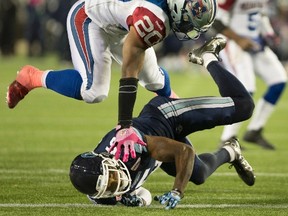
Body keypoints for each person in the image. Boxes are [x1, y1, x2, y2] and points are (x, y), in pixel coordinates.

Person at [6, 0, 218, 155]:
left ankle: (177, 116)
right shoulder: (154, 19)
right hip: (91, 19)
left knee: (156, 80)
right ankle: (32, 77)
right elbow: (129, 69)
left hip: (124, 24)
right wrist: (124, 125)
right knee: (94, 91)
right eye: (189, 22)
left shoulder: (160, 15)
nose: (190, 29)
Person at [69, 37, 256, 210]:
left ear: (108, 161)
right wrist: (137, 200)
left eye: (111, 178)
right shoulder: (102, 193)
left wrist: (177, 191)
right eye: (110, 185)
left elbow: (185, 152)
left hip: (168, 116)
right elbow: (144, 194)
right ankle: (232, 151)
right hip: (158, 143)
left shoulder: (130, 148)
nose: (115, 183)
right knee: (199, 175)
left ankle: (206, 56)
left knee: (244, 106)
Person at [212, 0, 287, 150]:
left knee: (279, 81)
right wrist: (239, 39)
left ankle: (255, 130)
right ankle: (227, 138)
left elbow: (261, 15)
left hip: (256, 43)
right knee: (246, 88)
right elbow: (216, 21)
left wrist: (269, 34)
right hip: (234, 43)